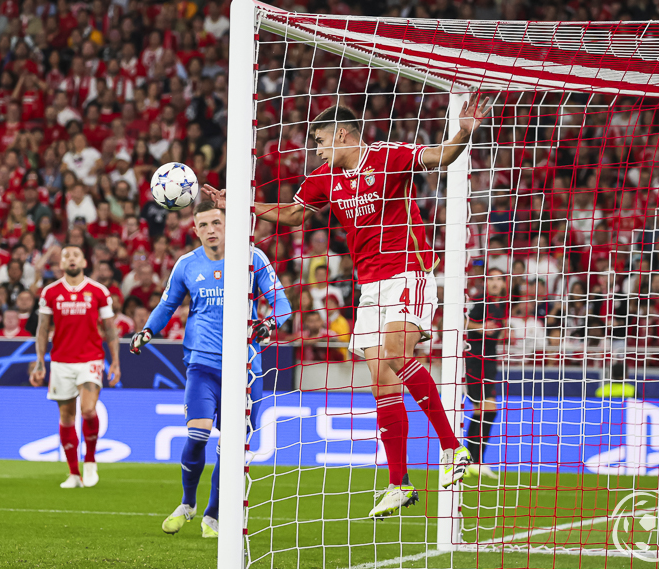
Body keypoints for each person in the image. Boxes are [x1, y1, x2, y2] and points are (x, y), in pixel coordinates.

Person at [252, 102, 491, 518]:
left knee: (398, 357)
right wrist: (241, 207)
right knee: (380, 377)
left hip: (408, 273)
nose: (319, 151)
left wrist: (464, 131)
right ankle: (399, 482)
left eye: (322, 141)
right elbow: (292, 215)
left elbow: (441, 156)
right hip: (369, 287)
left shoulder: (388, 155)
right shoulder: (323, 178)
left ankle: (454, 450)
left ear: (343, 134)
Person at [129, 197, 290, 538]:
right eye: (203, 225)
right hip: (201, 364)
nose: (211, 230)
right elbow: (167, 303)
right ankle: (187, 503)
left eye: (216, 222)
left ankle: (212, 515)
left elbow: (281, 301)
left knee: (230, 448)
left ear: (228, 224)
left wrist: (270, 323)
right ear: (195, 230)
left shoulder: (252, 258)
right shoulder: (187, 264)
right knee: (197, 434)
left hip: (245, 368)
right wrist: (147, 331)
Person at [29, 245, 122, 489]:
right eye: (66, 256)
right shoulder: (50, 292)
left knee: (89, 410)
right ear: (61, 264)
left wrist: (116, 362)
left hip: (91, 359)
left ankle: (90, 461)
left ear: (84, 261)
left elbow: (111, 329)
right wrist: (40, 361)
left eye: (76, 255)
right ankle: (73, 474)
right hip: (61, 361)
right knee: (66, 417)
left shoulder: (98, 291)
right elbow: (42, 330)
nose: (71, 259)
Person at [464, 268, 507, 480]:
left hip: (490, 361)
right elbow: (462, 320)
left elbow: (497, 328)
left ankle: (472, 461)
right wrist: (479, 327)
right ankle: (472, 460)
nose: (495, 282)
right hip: (476, 361)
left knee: (486, 410)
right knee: (486, 409)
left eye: (499, 279)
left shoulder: (500, 306)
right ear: (486, 282)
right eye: (491, 278)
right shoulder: (481, 301)